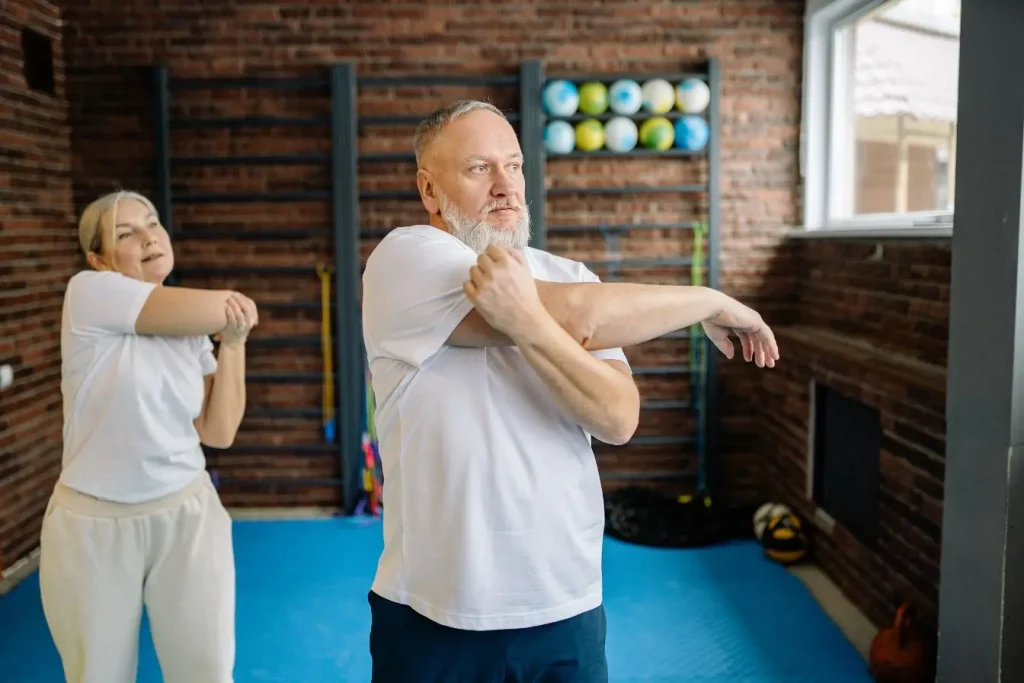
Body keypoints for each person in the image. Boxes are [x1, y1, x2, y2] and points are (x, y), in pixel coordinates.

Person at [360, 100, 780, 682]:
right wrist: (711, 300)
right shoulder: (406, 260)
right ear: (430, 191)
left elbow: (616, 418)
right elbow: (580, 318)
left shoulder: (571, 274)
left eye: (514, 165)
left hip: (565, 605)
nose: (506, 186)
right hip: (433, 610)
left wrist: (526, 322)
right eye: (480, 169)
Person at [39, 190, 258, 683]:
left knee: (206, 672)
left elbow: (218, 432)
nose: (147, 236)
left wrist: (235, 345)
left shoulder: (191, 329)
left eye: (152, 222)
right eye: (125, 232)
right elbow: (229, 306)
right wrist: (234, 314)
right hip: (94, 524)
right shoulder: (88, 292)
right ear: (98, 259)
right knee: (98, 674)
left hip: (187, 515)